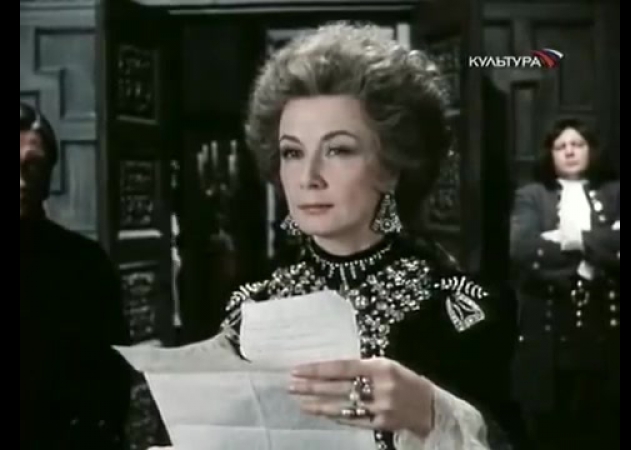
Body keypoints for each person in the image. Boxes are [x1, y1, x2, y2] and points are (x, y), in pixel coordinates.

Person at [211, 22, 527, 450]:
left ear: (394, 164)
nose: (308, 177)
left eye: (338, 150)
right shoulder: (249, 305)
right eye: (292, 152)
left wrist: (429, 412)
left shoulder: (458, 308)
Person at [20, 102, 132, 449]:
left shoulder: (85, 264)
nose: (21, 181)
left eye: (32, 167)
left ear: (48, 176)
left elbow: (112, 378)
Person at [509, 117, 620, 450]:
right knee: (550, 430)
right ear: (551, 154)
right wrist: (594, 255)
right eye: (561, 146)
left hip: (604, 330)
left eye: (577, 144)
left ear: (591, 150)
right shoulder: (532, 196)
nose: (570, 152)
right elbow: (523, 249)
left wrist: (573, 239)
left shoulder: (614, 193)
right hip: (549, 328)